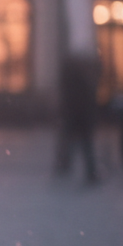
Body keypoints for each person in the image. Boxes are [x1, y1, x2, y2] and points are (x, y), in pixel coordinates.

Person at [53, 54, 100, 184]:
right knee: (84, 146)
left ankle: (65, 165)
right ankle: (89, 172)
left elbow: (67, 100)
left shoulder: (69, 82)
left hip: (73, 117)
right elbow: (87, 100)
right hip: (80, 118)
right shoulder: (82, 81)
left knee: (70, 143)